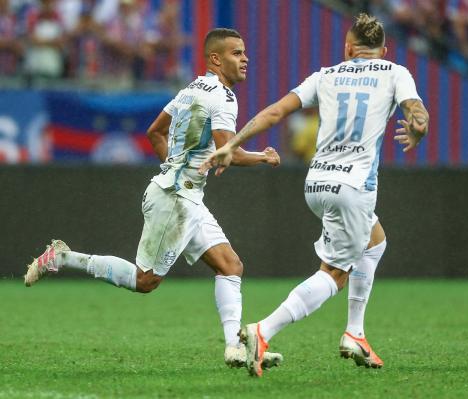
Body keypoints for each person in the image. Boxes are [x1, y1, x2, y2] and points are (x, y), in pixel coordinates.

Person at [24, 28, 283, 369]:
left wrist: (177, 168)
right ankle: (62, 257)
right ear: (216, 59)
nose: (245, 58)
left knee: (230, 265)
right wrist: (263, 157)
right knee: (145, 281)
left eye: (244, 52)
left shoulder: (190, 88)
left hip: (184, 194)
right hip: (176, 200)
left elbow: (154, 131)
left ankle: (235, 346)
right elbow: (228, 152)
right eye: (237, 53)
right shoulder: (223, 96)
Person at [202, 14, 429, 377]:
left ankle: (355, 333)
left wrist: (232, 144)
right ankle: (263, 331)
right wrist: (419, 127)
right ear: (383, 51)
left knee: (375, 241)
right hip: (354, 188)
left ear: (348, 49)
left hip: (317, 183)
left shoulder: (326, 75)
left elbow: (276, 111)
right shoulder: (395, 71)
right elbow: (415, 112)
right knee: (335, 274)